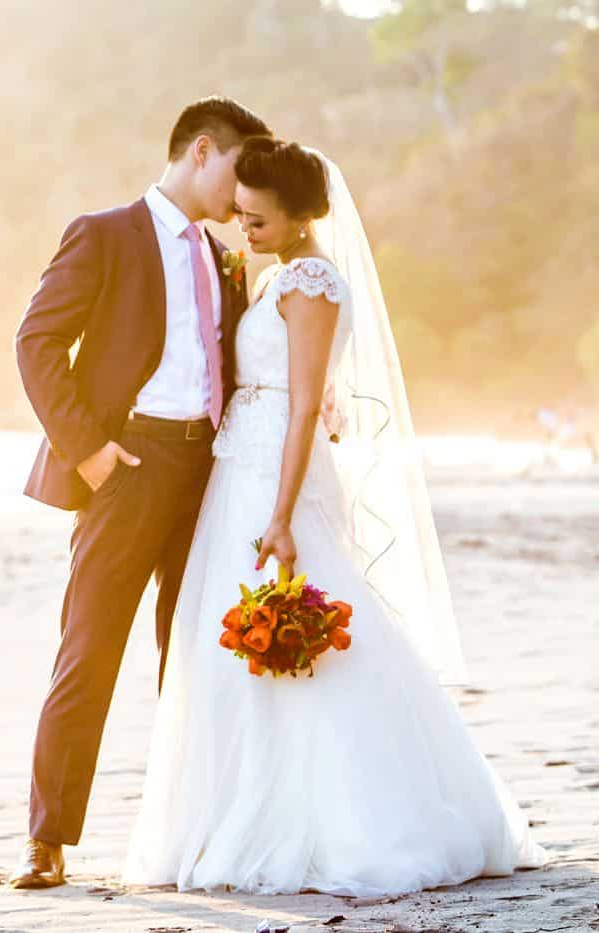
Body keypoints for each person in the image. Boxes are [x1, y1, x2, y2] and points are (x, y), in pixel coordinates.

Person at [121, 137, 549, 895]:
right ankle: (239, 808)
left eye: (257, 220)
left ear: (299, 217)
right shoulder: (280, 272)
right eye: (241, 216)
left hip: (273, 482)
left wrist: (281, 515)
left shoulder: (312, 280)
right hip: (242, 469)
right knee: (235, 642)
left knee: (306, 633)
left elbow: (306, 402)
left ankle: (345, 813)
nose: (242, 230)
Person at [10, 96, 271, 889]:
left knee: (192, 655)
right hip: (125, 467)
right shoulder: (105, 233)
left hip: (207, 473)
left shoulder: (227, 256)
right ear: (201, 151)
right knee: (90, 649)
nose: (243, 195)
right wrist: (89, 453)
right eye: (238, 171)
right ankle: (47, 839)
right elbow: (37, 341)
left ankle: (185, 829)